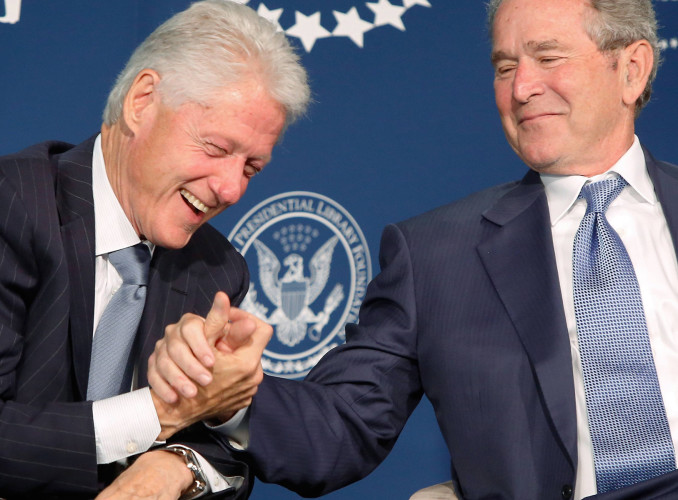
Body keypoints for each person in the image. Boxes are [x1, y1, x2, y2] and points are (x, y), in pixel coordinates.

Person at [151, 0, 678, 498]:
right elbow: (341, 426)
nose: (521, 88)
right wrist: (232, 394)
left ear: (631, 69)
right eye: (504, 66)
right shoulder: (436, 255)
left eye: (547, 57)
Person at [0, 0, 309, 498]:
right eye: (216, 149)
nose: (232, 190)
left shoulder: (216, 269)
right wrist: (163, 412)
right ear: (142, 100)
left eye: (251, 168)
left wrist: (182, 458)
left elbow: (228, 460)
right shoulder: (4, 205)